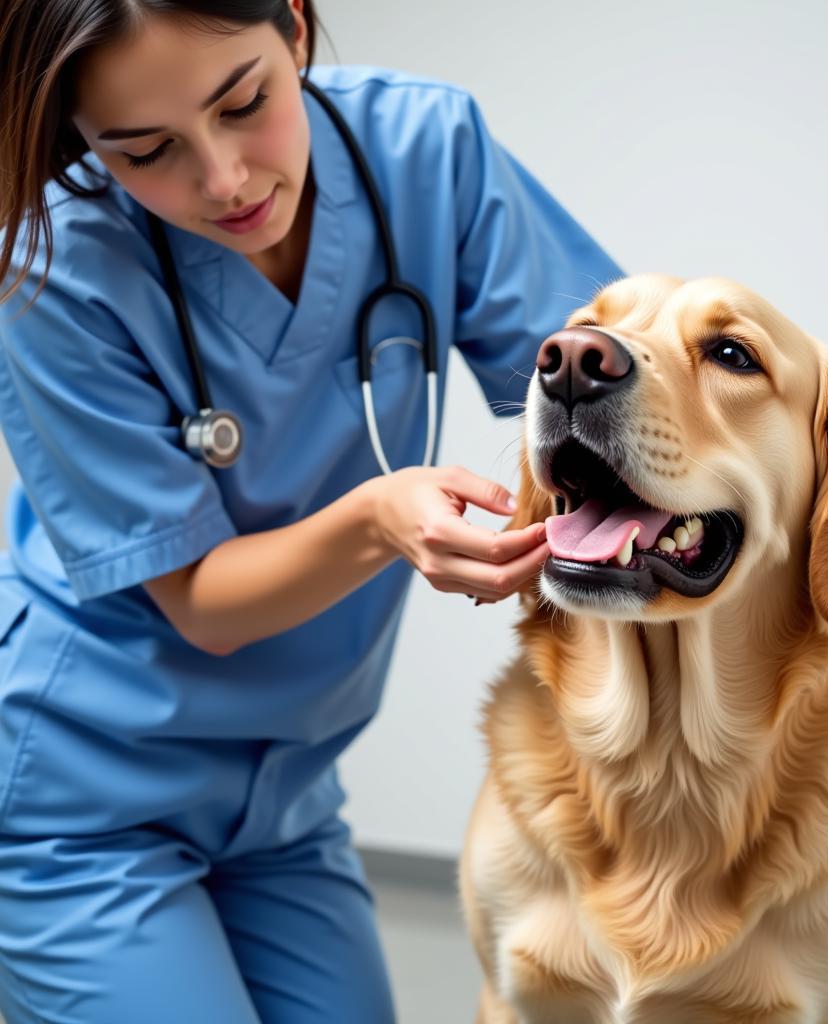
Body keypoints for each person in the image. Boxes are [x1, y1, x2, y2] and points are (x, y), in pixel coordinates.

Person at [0, 1, 622, 1021]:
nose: (223, 178)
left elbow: (603, 381)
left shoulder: (427, 149)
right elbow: (202, 602)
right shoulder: (50, 266)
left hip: (287, 796)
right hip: (85, 797)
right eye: (146, 150)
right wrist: (378, 518)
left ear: (293, 26)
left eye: (244, 103)